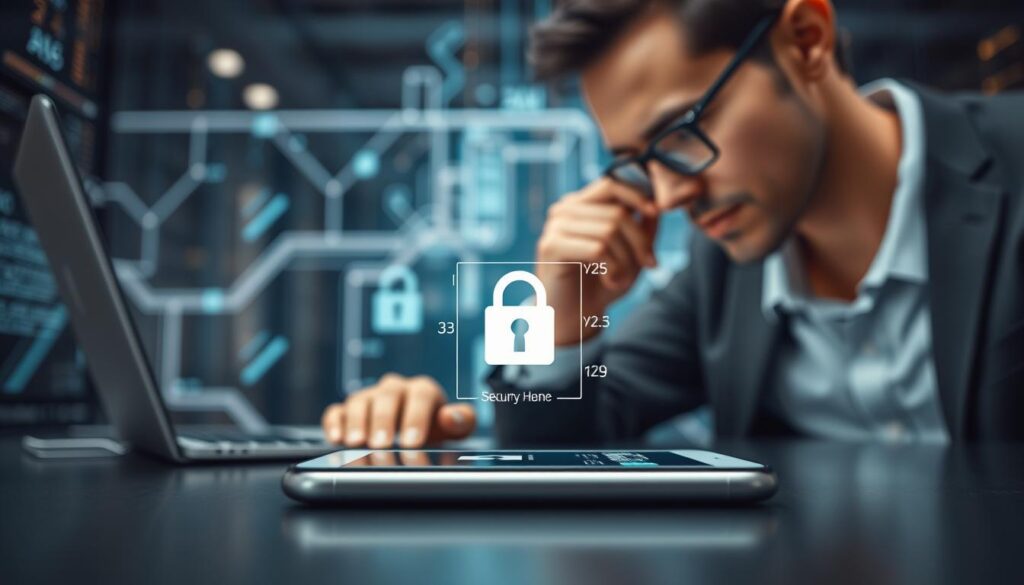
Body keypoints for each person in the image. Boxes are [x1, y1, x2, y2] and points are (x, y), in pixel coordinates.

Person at [321, 0, 1024, 448]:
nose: (669, 193)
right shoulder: (726, 274)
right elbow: (559, 443)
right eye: (635, 161)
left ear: (807, 39)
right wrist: (553, 319)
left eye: (682, 132)